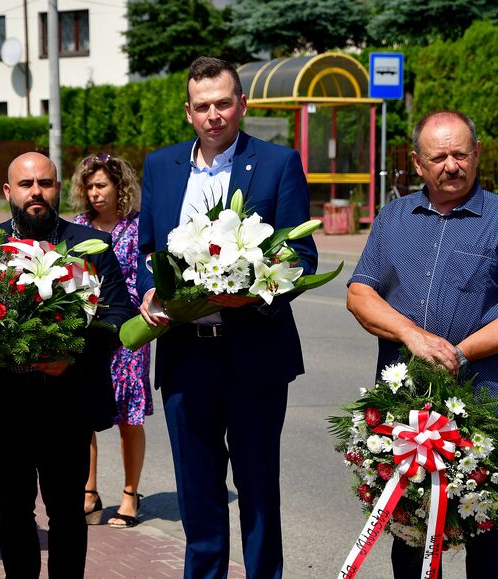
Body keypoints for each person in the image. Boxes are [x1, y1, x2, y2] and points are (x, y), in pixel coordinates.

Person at [346, 110, 498, 579]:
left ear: (477, 156)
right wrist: (411, 335)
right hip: (404, 408)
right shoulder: (393, 218)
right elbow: (360, 295)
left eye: (461, 154)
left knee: (486, 529)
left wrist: (460, 353)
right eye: (438, 156)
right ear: (417, 163)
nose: (451, 165)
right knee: (411, 530)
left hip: (480, 401)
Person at [137, 56, 318, 578]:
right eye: (202, 106)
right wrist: (153, 295)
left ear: (243, 103)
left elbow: (300, 259)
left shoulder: (278, 162)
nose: (213, 114)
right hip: (184, 353)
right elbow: (149, 252)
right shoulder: (161, 165)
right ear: (188, 112)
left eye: (223, 103)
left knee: (258, 491)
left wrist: (252, 294)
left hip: (254, 353)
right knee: (198, 494)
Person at [0, 152, 135, 577]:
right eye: (26, 185)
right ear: (8, 193)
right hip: (2, 404)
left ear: (58, 188)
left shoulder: (88, 244)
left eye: (45, 182)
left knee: (67, 515)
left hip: (67, 402)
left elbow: (118, 316)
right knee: (14, 515)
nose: (36, 192)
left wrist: (71, 353)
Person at [70, 153, 153, 528]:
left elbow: (146, 279)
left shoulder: (138, 228)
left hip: (131, 332)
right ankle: (89, 491)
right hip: (89, 334)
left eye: (101, 185)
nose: (94, 193)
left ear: (119, 186)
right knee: (84, 413)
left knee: (128, 418)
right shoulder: (78, 226)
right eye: (89, 186)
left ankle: (130, 493)